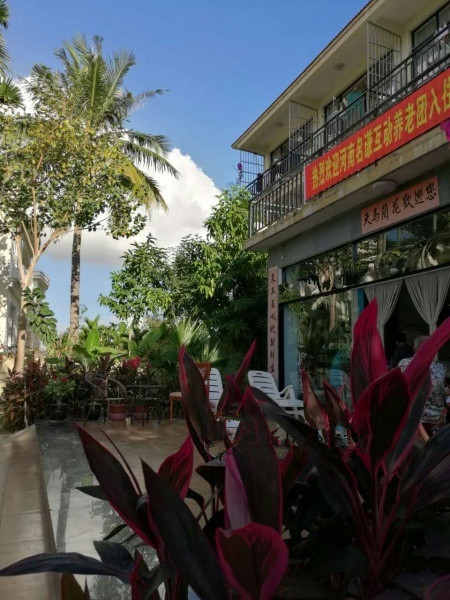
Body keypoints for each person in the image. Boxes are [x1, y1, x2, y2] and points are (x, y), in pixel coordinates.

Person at [399, 335, 446, 436]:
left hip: (414, 422)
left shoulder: (404, 364)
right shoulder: (440, 367)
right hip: (436, 421)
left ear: (415, 349)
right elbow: (441, 393)